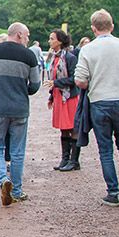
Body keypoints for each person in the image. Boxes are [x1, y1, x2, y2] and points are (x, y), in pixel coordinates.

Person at [74, 9, 119, 207]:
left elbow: (80, 80)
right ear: (113, 26)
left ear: (93, 28)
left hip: (99, 101)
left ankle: (112, 192)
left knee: (105, 149)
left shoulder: (88, 49)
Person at [0, 23, 40, 206]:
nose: (28, 39)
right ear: (20, 34)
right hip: (20, 108)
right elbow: (35, 85)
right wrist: (22, 90)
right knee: (17, 151)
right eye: (27, 35)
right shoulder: (29, 55)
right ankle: (16, 189)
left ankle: (2, 179)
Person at [44, 29, 80, 171]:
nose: (49, 41)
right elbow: (54, 78)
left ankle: (74, 160)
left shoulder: (70, 58)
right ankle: (65, 158)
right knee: (63, 129)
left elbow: (74, 79)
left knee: (72, 128)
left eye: (52, 38)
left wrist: (56, 84)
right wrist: (51, 95)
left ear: (59, 41)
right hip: (59, 96)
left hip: (69, 97)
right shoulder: (54, 57)